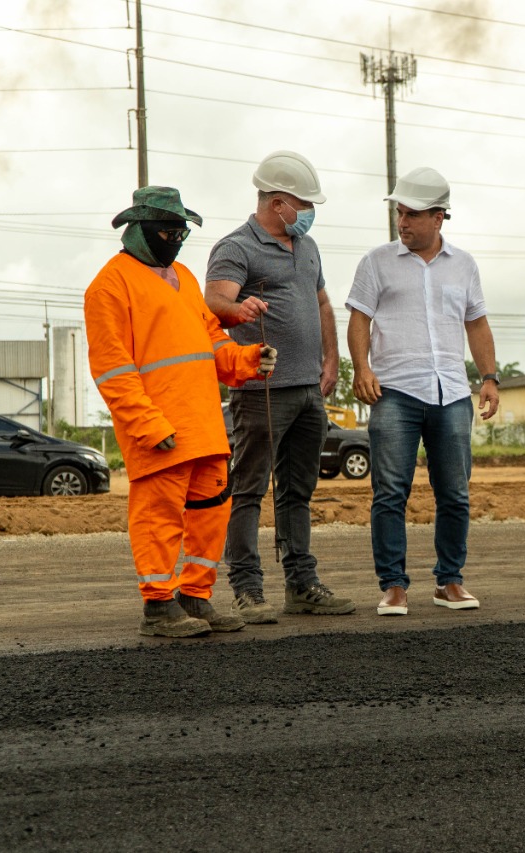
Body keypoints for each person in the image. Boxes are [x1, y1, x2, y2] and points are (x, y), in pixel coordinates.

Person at [85, 186, 276, 637]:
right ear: (140, 230)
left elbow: (213, 344)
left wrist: (248, 359)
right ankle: (158, 606)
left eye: (182, 233)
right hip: (160, 431)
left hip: (205, 427)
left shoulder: (186, 279)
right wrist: (147, 424)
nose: (176, 240)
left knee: (211, 514)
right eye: (169, 232)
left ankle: (195, 596)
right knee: (159, 518)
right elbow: (113, 371)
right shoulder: (109, 287)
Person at [204, 150, 356, 623]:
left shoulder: (306, 247)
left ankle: (301, 585)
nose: (309, 214)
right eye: (304, 204)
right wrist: (238, 310)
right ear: (277, 203)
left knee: (298, 491)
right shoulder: (236, 247)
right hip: (261, 391)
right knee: (248, 490)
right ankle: (247, 589)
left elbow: (324, 304)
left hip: (309, 389)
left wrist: (331, 358)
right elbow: (215, 299)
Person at [346, 166, 500, 617]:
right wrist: (362, 368)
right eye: (400, 212)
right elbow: (359, 318)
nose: (403, 222)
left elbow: (477, 322)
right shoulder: (376, 262)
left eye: (412, 214)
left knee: (455, 492)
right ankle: (393, 585)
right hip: (393, 391)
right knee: (390, 491)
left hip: (451, 392)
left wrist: (489, 377)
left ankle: (449, 580)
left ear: (439, 217)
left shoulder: (465, 265)